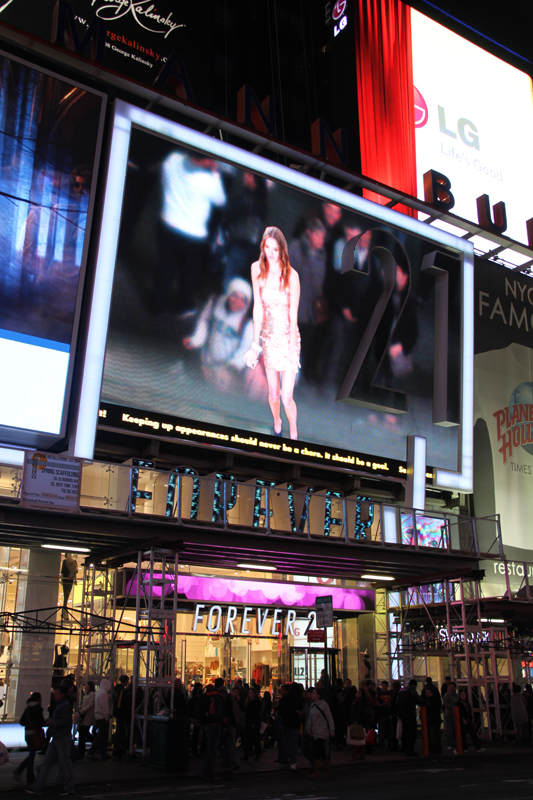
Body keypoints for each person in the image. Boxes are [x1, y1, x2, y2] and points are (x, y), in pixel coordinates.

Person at [245, 226, 301, 439]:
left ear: (282, 250)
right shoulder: (256, 269)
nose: (270, 252)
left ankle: (293, 430)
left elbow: (293, 315)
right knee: (273, 395)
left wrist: (292, 349)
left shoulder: (291, 276)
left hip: (288, 338)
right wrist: (255, 343)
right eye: (267, 247)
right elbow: (257, 307)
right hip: (268, 338)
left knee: (287, 398)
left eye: (275, 249)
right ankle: (277, 422)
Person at [183, 277, 254, 393]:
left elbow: (246, 349)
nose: (237, 302)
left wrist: (230, 369)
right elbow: (203, 321)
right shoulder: (215, 303)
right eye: (235, 296)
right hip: (204, 361)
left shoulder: (247, 324)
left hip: (224, 373)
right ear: (228, 294)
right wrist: (196, 340)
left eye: (243, 299)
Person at [25, 685, 75, 796]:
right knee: (49, 762)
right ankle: (39, 786)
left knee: (62, 762)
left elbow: (64, 721)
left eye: (56, 693)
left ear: (61, 694)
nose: (54, 695)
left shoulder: (64, 705)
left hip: (61, 737)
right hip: (58, 737)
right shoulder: (63, 705)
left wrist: (51, 722)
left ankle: (68, 787)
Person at [13, 693, 46, 784]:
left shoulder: (27, 708)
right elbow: (41, 722)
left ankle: (21, 771)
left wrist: (28, 725)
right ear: (38, 699)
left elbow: (22, 721)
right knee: (32, 755)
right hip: (34, 734)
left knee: (32, 754)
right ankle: (29, 776)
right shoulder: (38, 709)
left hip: (27, 734)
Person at [199, 679, 224, 782]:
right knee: (212, 750)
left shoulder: (207, 695)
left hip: (206, 723)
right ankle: (209, 773)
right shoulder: (218, 697)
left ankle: (206, 772)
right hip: (214, 725)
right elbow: (218, 714)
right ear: (221, 686)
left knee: (209, 748)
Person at [308, 686, 334, 778]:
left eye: (314, 693)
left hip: (322, 731)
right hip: (315, 731)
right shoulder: (312, 705)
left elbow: (329, 717)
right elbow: (310, 718)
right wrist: (309, 727)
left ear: (318, 695)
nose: (312, 695)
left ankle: (316, 771)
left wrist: (332, 729)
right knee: (321, 751)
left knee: (317, 749)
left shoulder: (324, 705)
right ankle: (327, 771)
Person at [87, 678, 111, 760]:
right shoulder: (104, 694)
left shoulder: (99, 692)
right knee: (101, 735)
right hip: (103, 717)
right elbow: (105, 707)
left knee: (102, 735)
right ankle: (94, 752)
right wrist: (107, 716)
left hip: (98, 716)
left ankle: (101, 752)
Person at [396, 679, 420, 757]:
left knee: (405, 732)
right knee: (411, 733)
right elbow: (419, 700)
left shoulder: (401, 691)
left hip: (402, 715)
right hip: (410, 714)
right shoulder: (412, 691)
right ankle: (410, 750)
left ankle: (404, 747)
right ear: (414, 685)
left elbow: (398, 702)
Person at [222, 685, 242, 771]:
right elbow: (228, 712)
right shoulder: (229, 700)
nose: (236, 694)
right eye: (235, 692)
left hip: (234, 723)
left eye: (237, 692)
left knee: (229, 743)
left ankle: (226, 761)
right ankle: (231, 762)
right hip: (231, 723)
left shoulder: (235, 700)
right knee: (231, 744)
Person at [76, 682, 95, 758]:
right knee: (84, 732)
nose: (86, 688)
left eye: (87, 686)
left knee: (83, 732)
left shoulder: (92, 695)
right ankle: (82, 750)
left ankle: (81, 751)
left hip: (87, 716)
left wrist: (82, 710)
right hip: (85, 716)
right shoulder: (87, 695)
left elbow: (90, 705)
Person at [421, 685, 442, 755]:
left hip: (433, 721)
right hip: (430, 721)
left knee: (433, 736)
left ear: (432, 693)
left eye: (428, 692)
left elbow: (435, 711)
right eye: (426, 692)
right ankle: (432, 749)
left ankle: (434, 750)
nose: (427, 694)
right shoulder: (426, 701)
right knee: (430, 736)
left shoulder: (433, 701)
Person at [112, 676, 129, 756]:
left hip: (117, 712)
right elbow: (120, 703)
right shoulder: (122, 690)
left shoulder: (116, 689)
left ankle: (117, 746)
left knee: (119, 730)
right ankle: (118, 746)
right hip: (120, 713)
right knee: (120, 730)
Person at [442, 681, 459, 753]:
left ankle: (455, 743)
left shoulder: (457, 695)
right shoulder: (447, 695)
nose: (451, 688)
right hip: (450, 714)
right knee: (450, 729)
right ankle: (449, 744)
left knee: (455, 729)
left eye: (453, 687)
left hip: (456, 714)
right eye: (450, 687)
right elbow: (445, 704)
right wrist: (453, 707)